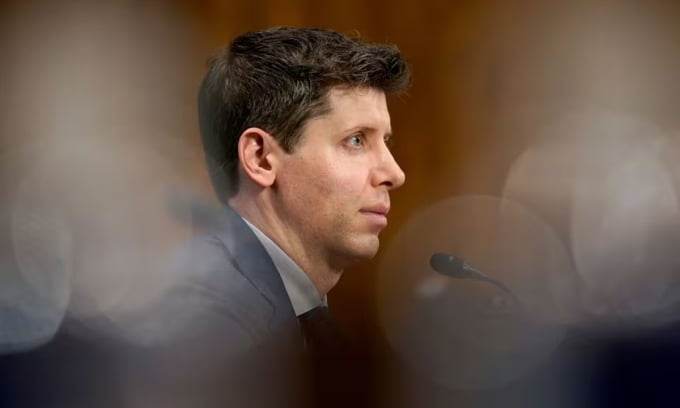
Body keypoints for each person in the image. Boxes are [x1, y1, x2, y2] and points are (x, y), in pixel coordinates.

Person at [155, 26, 410, 407]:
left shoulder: (298, 312)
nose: (394, 173)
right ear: (260, 158)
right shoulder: (207, 322)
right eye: (356, 140)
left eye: (384, 142)